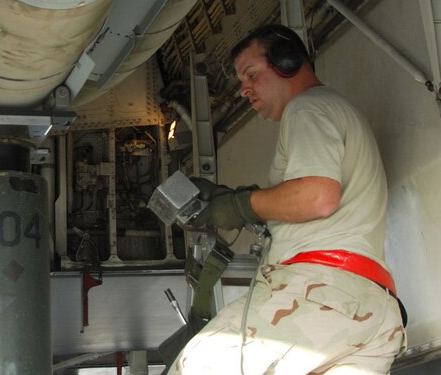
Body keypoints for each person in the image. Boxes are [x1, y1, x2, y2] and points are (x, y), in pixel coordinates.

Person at [172, 24, 407, 375]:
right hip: (373, 313)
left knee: (198, 365)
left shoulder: (307, 108)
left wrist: (239, 205)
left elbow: (317, 196)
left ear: (287, 61)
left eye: (251, 74)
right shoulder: (336, 111)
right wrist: (254, 206)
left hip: (324, 293)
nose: (243, 89)